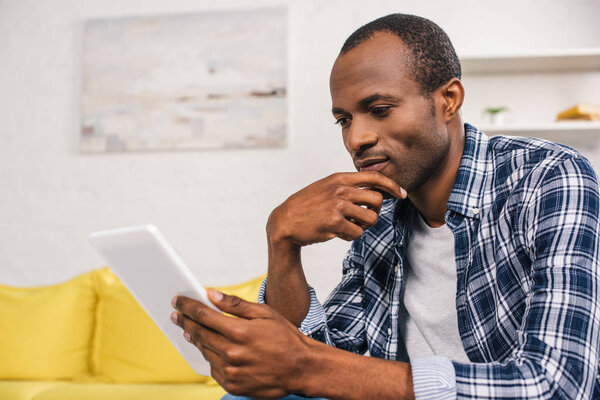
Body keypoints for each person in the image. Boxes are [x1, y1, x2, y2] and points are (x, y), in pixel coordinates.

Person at [170, 13, 600, 399]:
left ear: (448, 99)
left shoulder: (549, 178)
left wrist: (307, 367)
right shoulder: (380, 211)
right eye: (344, 119)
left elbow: (559, 383)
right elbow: (325, 356)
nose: (356, 139)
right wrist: (281, 241)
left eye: (378, 109)